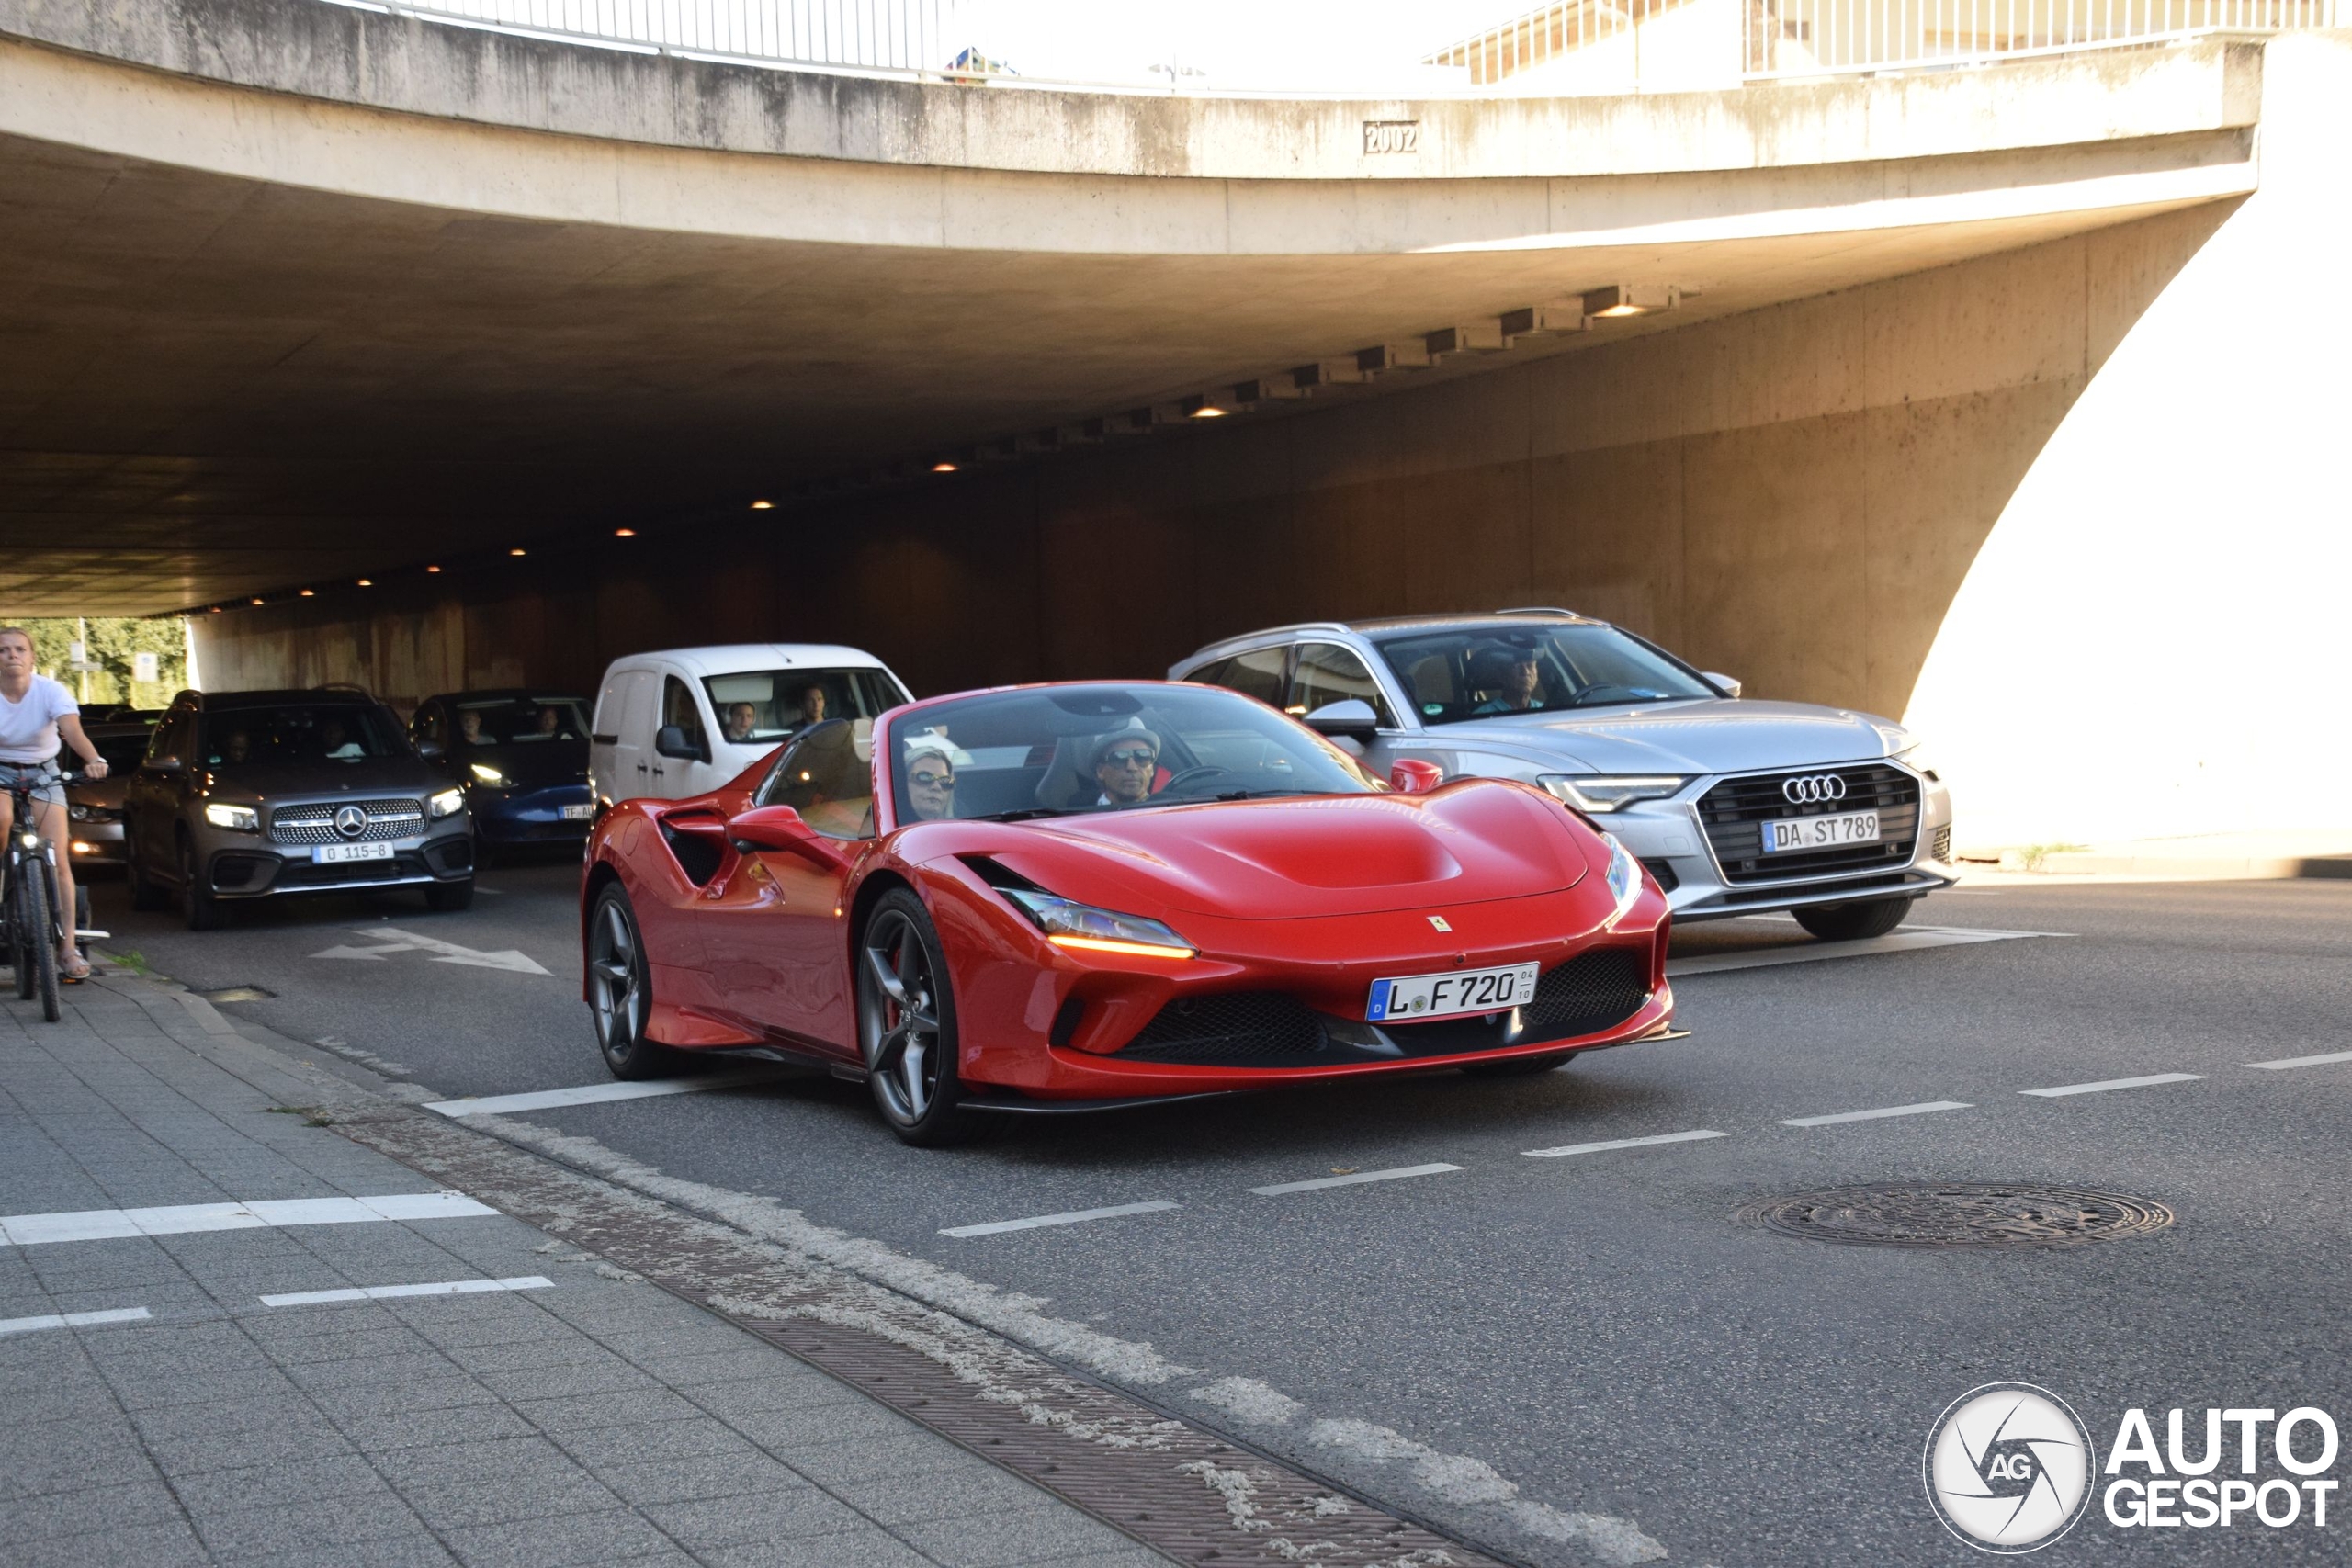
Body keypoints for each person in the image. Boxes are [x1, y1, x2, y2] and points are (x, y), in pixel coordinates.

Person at [0, 627, 107, 981]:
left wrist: (94, 760)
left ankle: (68, 948)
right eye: (3, 650)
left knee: (59, 858)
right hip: (0, 772)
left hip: (44, 773)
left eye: (19, 649)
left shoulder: (50, 691)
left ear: (32, 658)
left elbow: (72, 732)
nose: (11, 655)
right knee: (1, 819)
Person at [1091, 729, 1160, 806]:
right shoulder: (1081, 815)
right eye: (1119, 759)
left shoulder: (1170, 809)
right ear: (1100, 771)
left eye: (1142, 757)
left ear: (1152, 769)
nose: (1132, 767)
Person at [1472, 649, 1545, 714]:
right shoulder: (1482, 715)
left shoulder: (1544, 710)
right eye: (1518, 667)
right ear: (1502, 676)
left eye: (1530, 666)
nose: (1525, 672)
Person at [904, 736, 957, 821]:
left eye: (945, 781)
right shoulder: (880, 829)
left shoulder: (963, 831)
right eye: (925, 777)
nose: (937, 787)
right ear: (902, 782)